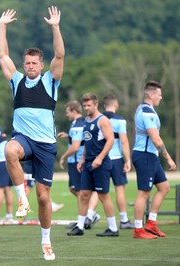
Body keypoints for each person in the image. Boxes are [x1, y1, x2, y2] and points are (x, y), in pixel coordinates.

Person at [0, 6, 65, 260]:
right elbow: (2, 54)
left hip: (46, 145)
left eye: (34, 63)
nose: (30, 66)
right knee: (9, 149)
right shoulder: (16, 81)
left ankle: (46, 242)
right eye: (27, 63)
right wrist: (2, 26)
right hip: (24, 139)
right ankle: (21, 198)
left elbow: (60, 54)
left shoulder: (50, 81)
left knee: (44, 198)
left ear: (41, 64)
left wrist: (55, 27)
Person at [67, 93, 118, 237]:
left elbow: (110, 141)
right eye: (84, 106)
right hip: (88, 163)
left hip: (100, 164)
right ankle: (80, 227)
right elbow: (87, 143)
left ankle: (113, 228)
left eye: (89, 105)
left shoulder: (103, 120)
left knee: (103, 196)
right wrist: (82, 159)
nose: (86, 108)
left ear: (96, 104)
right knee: (84, 195)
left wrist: (100, 158)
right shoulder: (87, 121)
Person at [132, 81, 176, 239]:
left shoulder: (147, 109)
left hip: (150, 156)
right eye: (159, 94)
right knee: (143, 193)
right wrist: (169, 159)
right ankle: (138, 230)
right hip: (144, 156)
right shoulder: (146, 112)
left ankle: (151, 223)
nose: (161, 97)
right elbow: (156, 140)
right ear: (151, 95)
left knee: (164, 187)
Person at [57, 100, 100, 230]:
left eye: (68, 112)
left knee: (81, 191)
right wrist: (68, 136)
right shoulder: (78, 123)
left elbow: (75, 147)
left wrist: (63, 157)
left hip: (77, 161)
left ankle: (89, 215)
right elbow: (78, 140)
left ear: (74, 111)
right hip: (76, 160)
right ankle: (85, 215)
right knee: (75, 189)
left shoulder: (78, 125)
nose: (67, 115)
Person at [102, 94, 135, 229]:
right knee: (120, 189)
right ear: (116, 105)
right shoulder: (120, 120)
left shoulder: (98, 119)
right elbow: (124, 141)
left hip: (101, 159)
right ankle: (124, 220)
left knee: (100, 191)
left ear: (104, 106)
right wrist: (128, 160)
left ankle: (88, 217)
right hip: (116, 159)